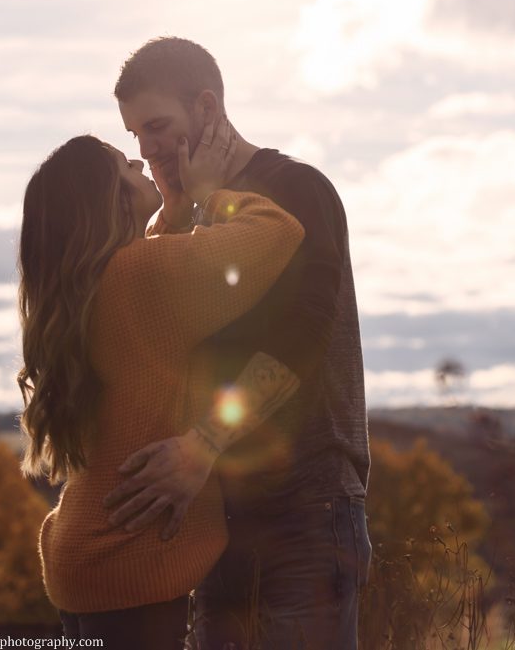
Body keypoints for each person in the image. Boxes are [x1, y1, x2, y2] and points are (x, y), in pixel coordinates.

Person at [105, 36, 372, 650]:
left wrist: (203, 445)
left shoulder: (297, 190)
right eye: (134, 136)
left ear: (206, 108)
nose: (145, 150)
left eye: (157, 126)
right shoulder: (183, 212)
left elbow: (299, 339)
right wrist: (177, 212)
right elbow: (153, 331)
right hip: (214, 519)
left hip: (307, 509)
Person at [16, 128, 304, 649]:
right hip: (128, 561)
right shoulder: (138, 276)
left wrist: (171, 216)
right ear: (108, 200)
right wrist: (208, 193)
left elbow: (157, 303)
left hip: (85, 553)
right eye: (123, 165)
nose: (138, 159)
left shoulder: (94, 286)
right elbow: (277, 230)